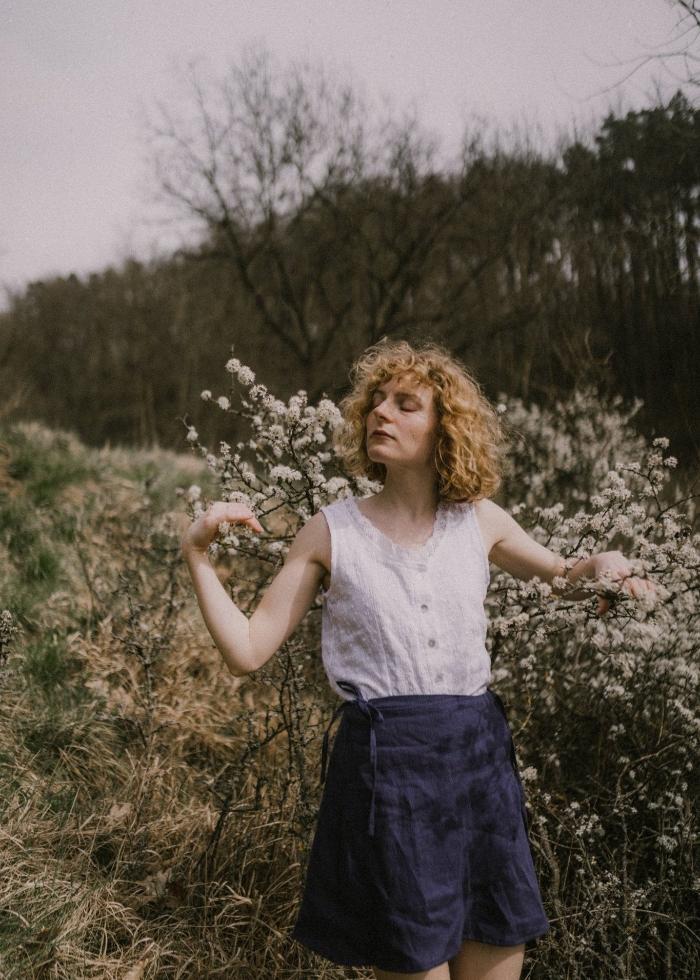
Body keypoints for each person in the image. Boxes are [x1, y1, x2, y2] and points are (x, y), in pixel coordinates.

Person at [181, 339, 657, 980]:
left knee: (498, 948)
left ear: (445, 428)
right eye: (376, 402)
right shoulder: (330, 531)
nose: (382, 412)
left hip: (480, 761)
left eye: (406, 404)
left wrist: (605, 565)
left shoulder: (479, 520)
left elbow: (565, 572)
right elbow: (246, 650)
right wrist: (198, 559)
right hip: (389, 771)